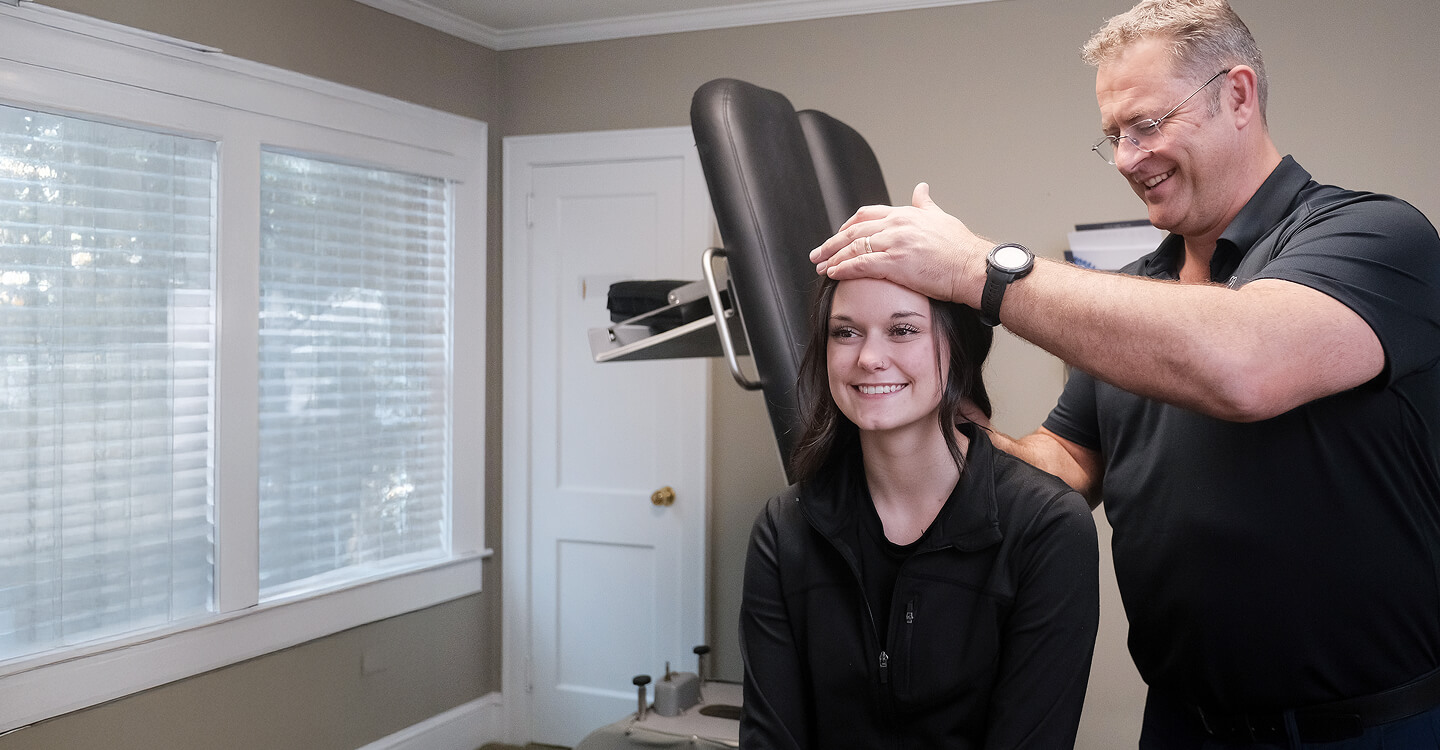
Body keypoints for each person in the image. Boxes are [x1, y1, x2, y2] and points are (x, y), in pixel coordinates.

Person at [809, 1, 1440, 747]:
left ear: (1237, 95)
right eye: (1113, 137)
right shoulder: (1138, 291)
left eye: (1146, 124)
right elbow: (1066, 463)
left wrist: (976, 268)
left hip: (1367, 729)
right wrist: (933, 423)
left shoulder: (1374, 237)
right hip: (1181, 723)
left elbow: (1244, 364)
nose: (1130, 157)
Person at [739, 275, 1099, 748]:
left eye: (903, 330)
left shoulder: (1047, 528)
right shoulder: (784, 529)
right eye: (845, 332)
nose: (868, 358)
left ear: (959, 349)